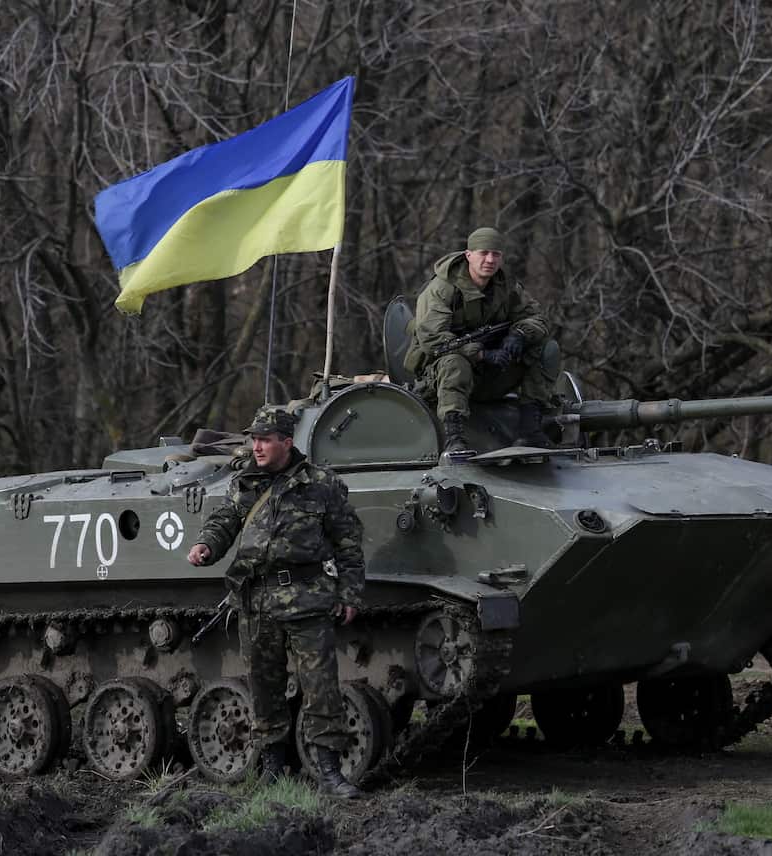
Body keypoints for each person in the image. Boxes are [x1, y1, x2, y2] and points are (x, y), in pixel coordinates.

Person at [187, 405, 365, 798]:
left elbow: (348, 541)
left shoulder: (321, 484)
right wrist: (205, 546)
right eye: (253, 439)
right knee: (265, 688)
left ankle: (329, 770)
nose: (257, 446)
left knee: (320, 686)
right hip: (258, 601)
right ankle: (273, 767)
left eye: (265, 439)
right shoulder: (245, 482)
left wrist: (351, 592)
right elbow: (225, 521)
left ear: (287, 441)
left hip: (307, 599)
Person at [403, 226, 554, 454]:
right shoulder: (441, 289)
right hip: (439, 379)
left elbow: (538, 318)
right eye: (483, 253)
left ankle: (530, 430)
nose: (490, 260)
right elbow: (433, 339)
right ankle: (454, 438)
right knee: (454, 361)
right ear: (469, 255)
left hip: (490, 374)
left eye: (496, 254)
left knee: (545, 349)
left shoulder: (506, 287)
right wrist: (482, 353)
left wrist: (519, 334)